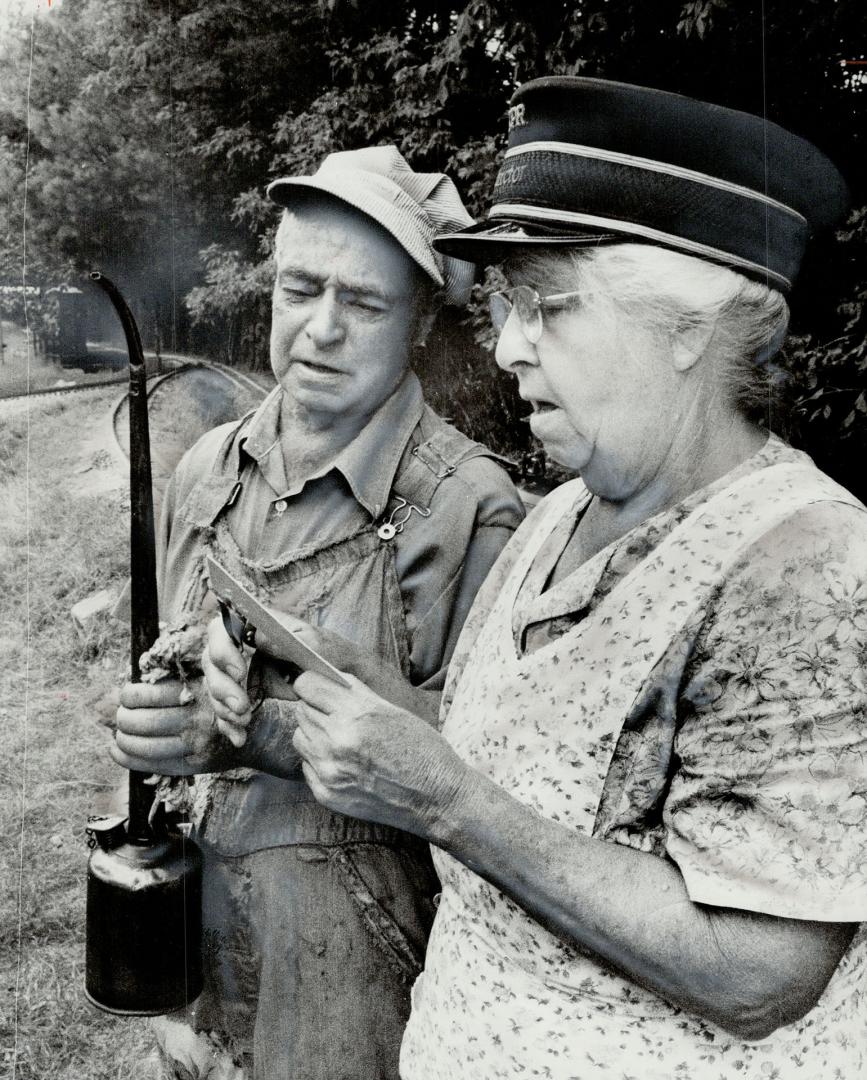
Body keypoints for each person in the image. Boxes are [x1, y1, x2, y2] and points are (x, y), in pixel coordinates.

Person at [203, 78, 867, 1078]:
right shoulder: (565, 507)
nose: (509, 348)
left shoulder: (805, 568)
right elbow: (500, 759)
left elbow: (756, 972)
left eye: (551, 308)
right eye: (512, 308)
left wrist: (445, 804)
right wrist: (285, 722)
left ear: (686, 330)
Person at [111, 145, 525, 1080]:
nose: (322, 329)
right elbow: (166, 696)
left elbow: (492, 791)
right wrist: (153, 719)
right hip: (194, 952)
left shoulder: (468, 509)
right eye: (301, 289)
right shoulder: (207, 470)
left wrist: (252, 729)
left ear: (419, 321)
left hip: (356, 992)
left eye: (365, 303)